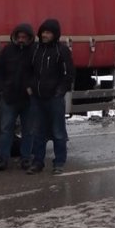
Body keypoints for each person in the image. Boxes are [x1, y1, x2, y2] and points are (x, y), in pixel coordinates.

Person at [26, 18, 75, 175]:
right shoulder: (35, 50)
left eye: (48, 33)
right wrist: (29, 87)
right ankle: (37, 162)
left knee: (58, 131)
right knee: (37, 131)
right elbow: (28, 70)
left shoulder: (62, 51)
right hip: (37, 98)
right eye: (43, 32)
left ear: (55, 34)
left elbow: (69, 75)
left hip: (54, 98)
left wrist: (60, 92)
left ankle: (59, 162)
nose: (45, 35)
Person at [0, 23, 35, 170]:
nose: (21, 39)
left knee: (28, 130)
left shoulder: (35, 51)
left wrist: (33, 88)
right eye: (19, 37)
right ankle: (3, 159)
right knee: (5, 129)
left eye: (24, 37)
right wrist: (2, 88)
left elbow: (40, 73)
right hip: (9, 97)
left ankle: (26, 159)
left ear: (30, 38)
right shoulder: (8, 50)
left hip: (28, 99)